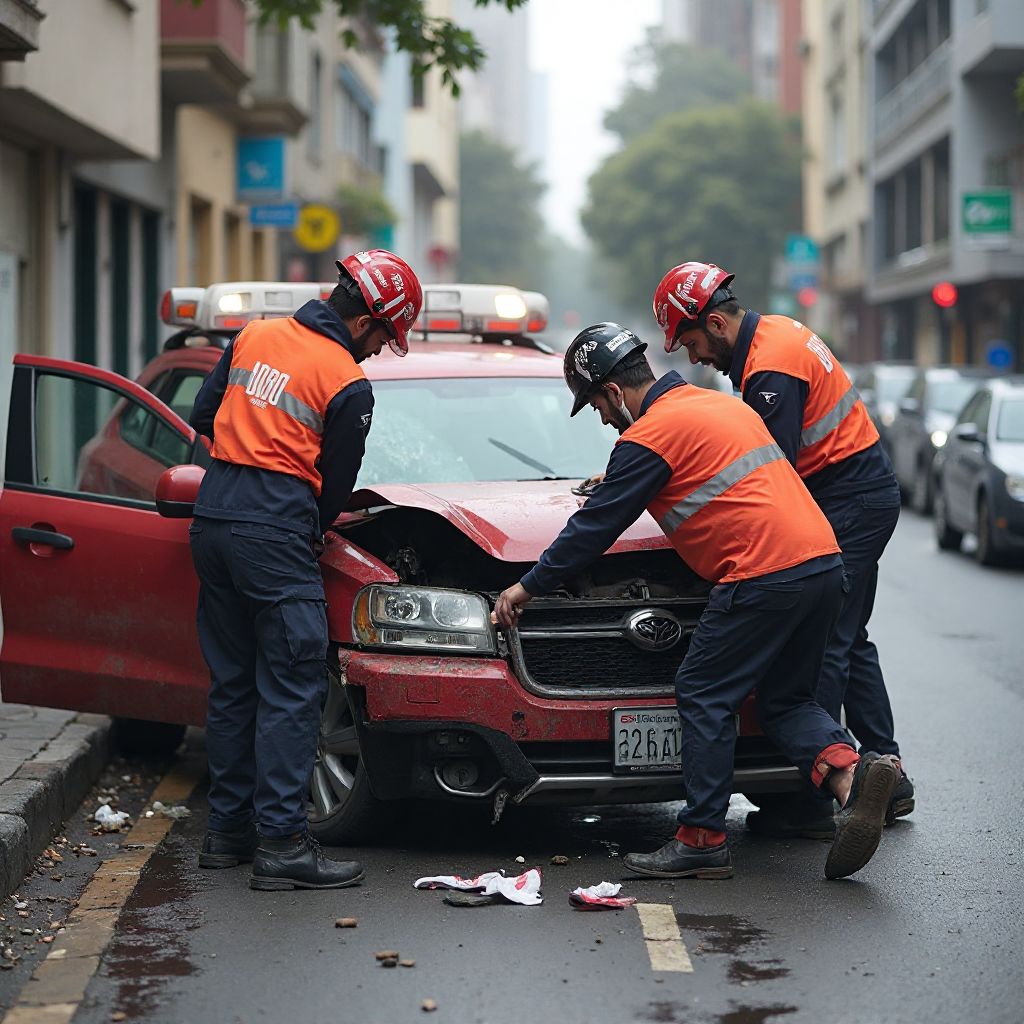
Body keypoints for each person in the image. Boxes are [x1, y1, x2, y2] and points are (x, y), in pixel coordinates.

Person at [493, 323, 901, 880]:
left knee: (703, 691)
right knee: (787, 702)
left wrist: (525, 588)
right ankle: (853, 777)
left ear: (613, 392)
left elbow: (592, 530)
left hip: (765, 575)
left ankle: (702, 838)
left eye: (596, 407)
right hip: (823, 565)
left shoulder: (648, 437)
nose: (605, 421)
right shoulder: (719, 407)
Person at [188, 250, 422, 890]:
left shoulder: (254, 335)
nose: (378, 350)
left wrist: (247, 454)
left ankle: (226, 833)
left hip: (212, 519)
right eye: (383, 338)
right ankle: (285, 844)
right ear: (368, 321)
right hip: (273, 532)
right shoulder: (347, 380)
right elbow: (336, 484)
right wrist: (306, 525)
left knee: (233, 685)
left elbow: (203, 417)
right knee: (294, 688)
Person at [652, 262, 912, 839]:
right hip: (860, 494)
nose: (693, 357)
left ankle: (810, 801)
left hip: (846, 500)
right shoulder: (777, 334)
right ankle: (888, 773)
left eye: (692, 341)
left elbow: (770, 472)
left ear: (716, 323)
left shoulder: (769, 369)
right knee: (850, 636)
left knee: (823, 647)